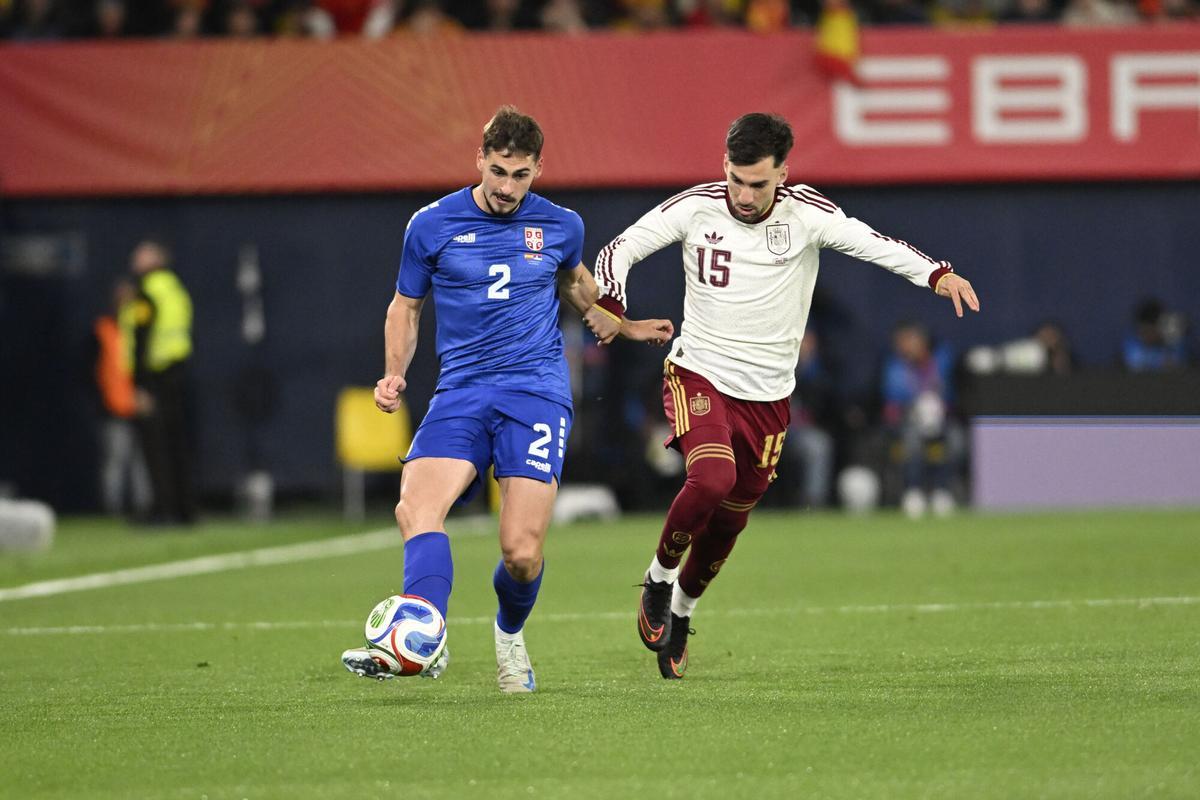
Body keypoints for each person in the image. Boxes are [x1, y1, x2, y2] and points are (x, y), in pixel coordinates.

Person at [589, 112, 979, 679]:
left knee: (729, 523)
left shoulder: (807, 215)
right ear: (724, 166)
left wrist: (936, 275)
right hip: (699, 372)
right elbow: (617, 250)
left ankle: (682, 611)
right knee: (712, 477)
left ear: (783, 175)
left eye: (759, 184)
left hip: (769, 398)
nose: (744, 196)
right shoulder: (694, 206)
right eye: (737, 180)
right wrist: (614, 305)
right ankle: (657, 578)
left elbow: (875, 244)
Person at [339, 106, 673, 693]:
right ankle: (425, 634)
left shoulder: (562, 225)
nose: (507, 188)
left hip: (536, 394)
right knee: (415, 510)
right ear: (480, 160)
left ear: (538, 169)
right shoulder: (431, 224)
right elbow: (405, 307)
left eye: (520, 176)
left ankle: (509, 635)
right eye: (498, 172)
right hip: (461, 391)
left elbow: (574, 283)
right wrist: (394, 374)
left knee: (520, 553)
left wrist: (617, 322)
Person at [127, 239, 198, 526]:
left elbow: (142, 337)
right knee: (177, 445)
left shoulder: (148, 291)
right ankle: (185, 509)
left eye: (140, 254)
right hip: (178, 373)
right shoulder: (176, 289)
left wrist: (141, 384)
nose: (134, 258)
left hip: (155, 377)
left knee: (156, 448)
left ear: (153, 259)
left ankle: (162, 509)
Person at [881, 320, 964, 518]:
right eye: (901, 343)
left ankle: (941, 490)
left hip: (941, 419)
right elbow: (892, 401)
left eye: (910, 341)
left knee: (956, 439)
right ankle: (913, 490)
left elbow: (953, 393)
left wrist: (938, 407)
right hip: (907, 420)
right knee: (912, 440)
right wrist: (914, 408)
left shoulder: (942, 360)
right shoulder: (894, 367)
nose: (906, 347)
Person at [94, 278, 152, 518]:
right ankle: (113, 508)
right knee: (115, 461)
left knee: (142, 463)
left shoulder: (143, 328)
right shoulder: (104, 329)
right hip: (114, 407)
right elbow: (93, 371)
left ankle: (144, 506)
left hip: (140, 407)